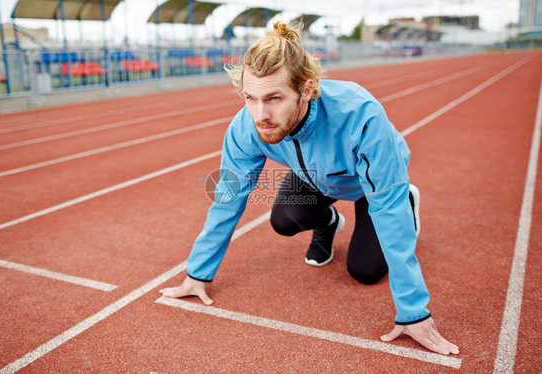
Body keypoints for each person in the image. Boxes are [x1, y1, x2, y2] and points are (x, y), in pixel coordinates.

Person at [160, 21, 459, 356]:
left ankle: (410, 199)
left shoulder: (360, 115)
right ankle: (329, 223)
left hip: (369, 183)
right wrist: (197, 273)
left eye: (274, 98)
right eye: (250, 98)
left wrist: (413, 312)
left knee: (364, 271)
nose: (261, 114)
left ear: (307, 88)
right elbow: (228, 199)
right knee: (284, 220)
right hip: (314, 175)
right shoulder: (247, 126)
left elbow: (387, 210)